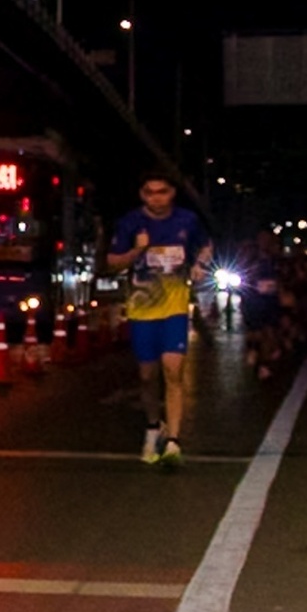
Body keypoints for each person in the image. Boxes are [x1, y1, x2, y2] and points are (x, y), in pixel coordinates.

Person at [104, 171, 208, 466]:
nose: (156, 198)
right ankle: (153, 427)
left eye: (162, 192)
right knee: (147, 376)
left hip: (174, 307)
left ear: (172, 192)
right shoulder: (130, 222)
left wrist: (200, 264)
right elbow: (112, 262)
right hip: (142, 309)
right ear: (142, 195)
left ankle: (174, 441)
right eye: (150, 192)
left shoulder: (187, 220)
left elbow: (205, 245)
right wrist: (138, 249)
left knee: (173, 371)